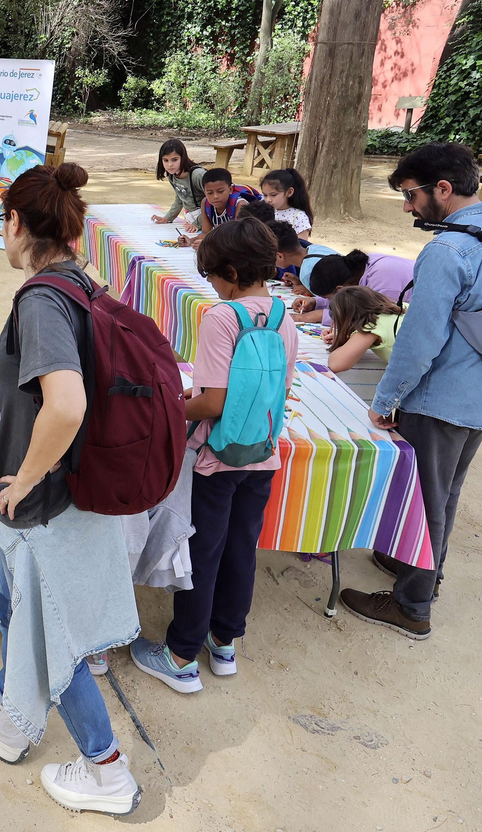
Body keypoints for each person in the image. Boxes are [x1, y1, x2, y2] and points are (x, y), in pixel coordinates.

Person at [0, 163, 143, 817]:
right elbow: (43, 385)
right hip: (53, 499)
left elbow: (66, 403)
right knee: (10, 597)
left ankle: (107, 770)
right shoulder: (79, 281)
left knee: (53, 634)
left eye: (3, 222)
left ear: (18, 223)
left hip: (43, 504)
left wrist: (23, 477)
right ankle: (9, 715)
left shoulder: (42, 298)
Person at [340, 143, 482, 640]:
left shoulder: (447, 251)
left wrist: (385, 399)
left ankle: (412, 605)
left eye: (410, 195)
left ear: (442, 190)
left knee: (426, 496)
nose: (407, 207)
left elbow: (419, 340)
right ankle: (422, 566)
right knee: (445, 491)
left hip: (444, 397)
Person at [129, 216, 298, 695]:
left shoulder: (222, 317)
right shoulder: (283, 317)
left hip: (215, 458)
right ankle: (224, 643)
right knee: (242, 550)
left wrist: (174, 404)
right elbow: (281, 389)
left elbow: (213, 402)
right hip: (262, 454)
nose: (213, 287)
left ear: (227, 269)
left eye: (211, 276)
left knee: (202, 552)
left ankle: (181, 654)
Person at [292, 248, 415, 325]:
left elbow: (371, 320)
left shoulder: (381, 286)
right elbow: (348, 298)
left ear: (340, 288)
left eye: (328, 298)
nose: (330, 302)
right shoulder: (360, 267)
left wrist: (320, 316)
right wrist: (315, 302)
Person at [325, 285, 403, 374]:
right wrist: (349, 336)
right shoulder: (401, 307)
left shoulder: (371, 327)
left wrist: (342, 338)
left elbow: (336, 364)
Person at [272, 220, 336, 295]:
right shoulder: (315, 248)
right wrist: (300, 283)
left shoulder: (307, 272)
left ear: (279, 256)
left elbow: (332, 299)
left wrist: (310, 292)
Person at [151, 139, 205, 226]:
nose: (170, 165)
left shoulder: (197, 175)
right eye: (165, 160)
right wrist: (168, 218)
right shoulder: (171, 174)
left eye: (174, 160)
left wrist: (197, 224)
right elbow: (180, 197)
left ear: (183, 158)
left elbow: (214, 202)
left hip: (208, 218)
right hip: (192, 217)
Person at [196, 167, 262, 236]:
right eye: (210, 193)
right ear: (204, 192)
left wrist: (210, 243)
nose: (215, 196)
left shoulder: (240, 204)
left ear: (230, 189)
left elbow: (238, 237)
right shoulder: (205, 203)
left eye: (220, 191)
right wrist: (190, 241)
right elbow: (205, 233)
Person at [260, 168, 313, 234]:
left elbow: (301, 243)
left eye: (273, 195)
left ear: (289, 192)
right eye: (265, 195)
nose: (268, 200)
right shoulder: (260, 211)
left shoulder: (299, 217)